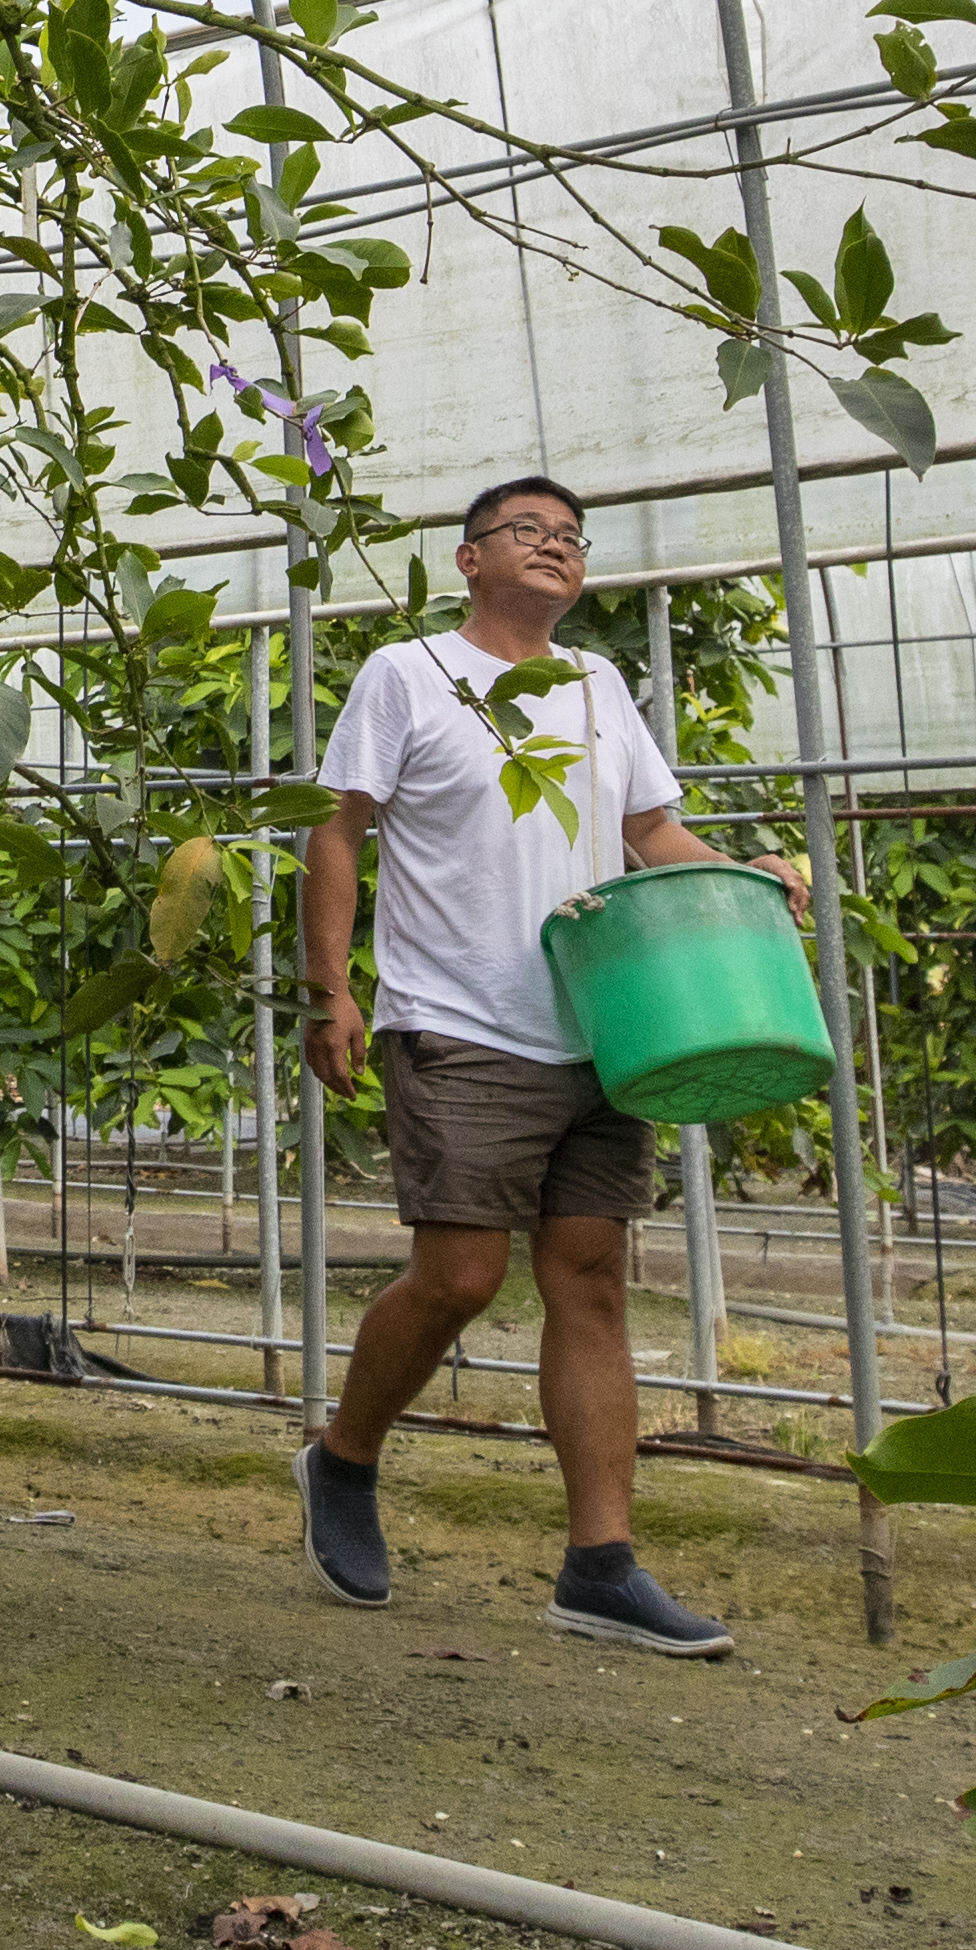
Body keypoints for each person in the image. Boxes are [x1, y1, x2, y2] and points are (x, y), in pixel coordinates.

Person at [289, 474, 798, 1653]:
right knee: (462, 1274)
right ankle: (344, 1459)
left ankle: (600, 1565)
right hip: (460, 1015)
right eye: (530, 530)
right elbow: (337, 828)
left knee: (593, 1279)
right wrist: (331, 986)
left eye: (572, 536)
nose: (557, 547)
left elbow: (648, 831)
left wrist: (743, 873)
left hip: (601, 1020)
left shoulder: (598, 683)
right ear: (468, 558)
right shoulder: (410, 675)